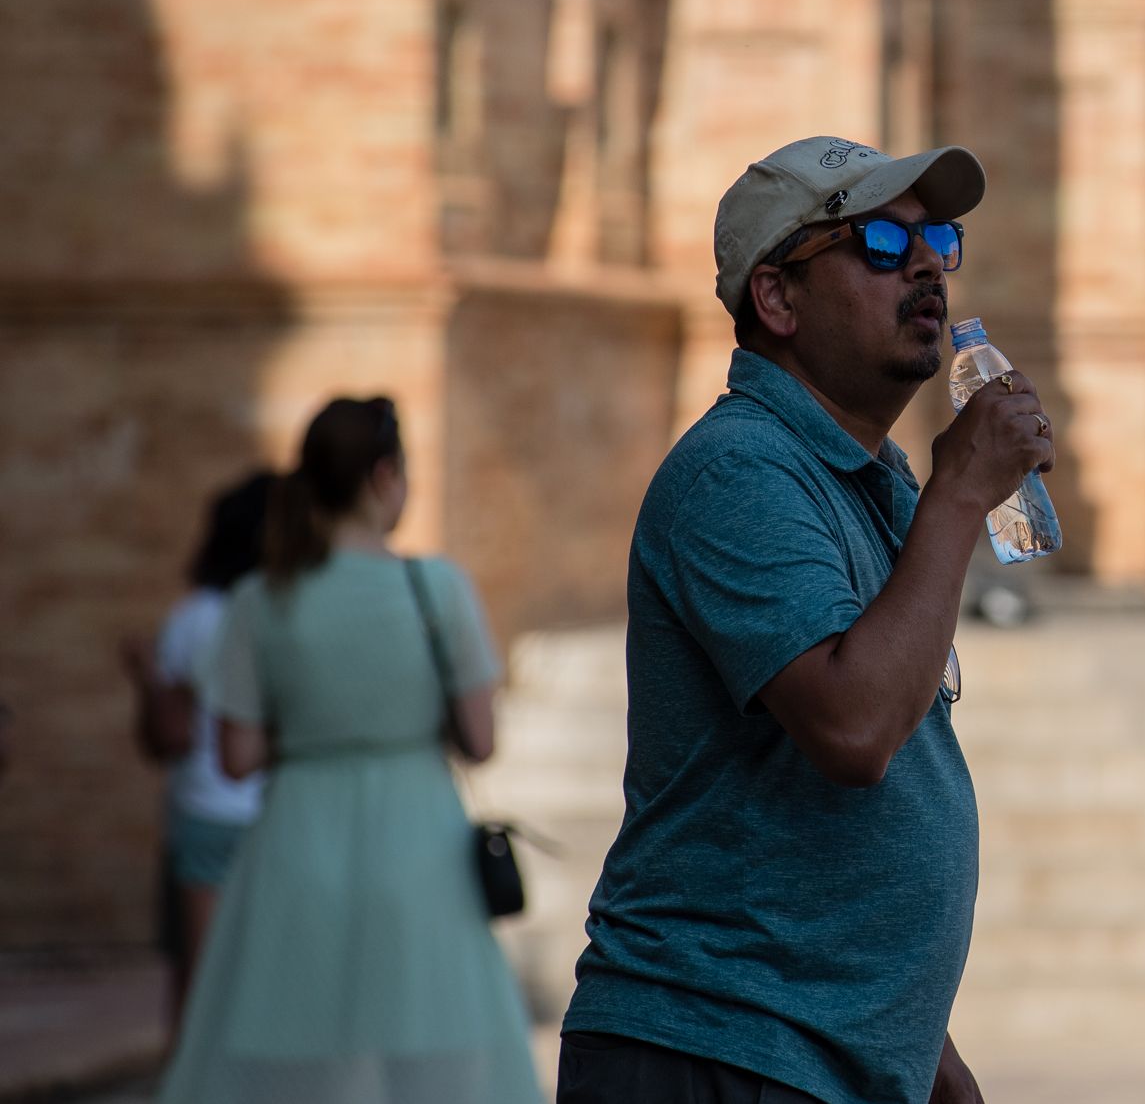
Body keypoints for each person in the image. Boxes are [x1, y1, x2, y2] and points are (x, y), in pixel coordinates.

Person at [560, 138, 1051, 1104]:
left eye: (935, 239)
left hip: (817, 1051)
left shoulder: (869, 485)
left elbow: (850, 825)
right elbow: (855, 729)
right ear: (778, 300)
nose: (922, 264)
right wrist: (959, 493)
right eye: (875, 240)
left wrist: (929, 1059)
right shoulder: (737, 471)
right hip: (718, 1045)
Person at [158, 396, 539, 1104]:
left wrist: (314, 730)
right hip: (418, 845)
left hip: (297, 841)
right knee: (434, 1057)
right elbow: (480, 741)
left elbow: (235, 756)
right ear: (385, 474)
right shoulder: (437, 588)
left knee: (302, 1062)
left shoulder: (259, 599)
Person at [119, 468, 274, 1033]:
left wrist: (143, 677)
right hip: (271, 817)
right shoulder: (274, 613)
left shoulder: (195, 620)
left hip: (206, 815)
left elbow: (170, 736)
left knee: (199, 991)